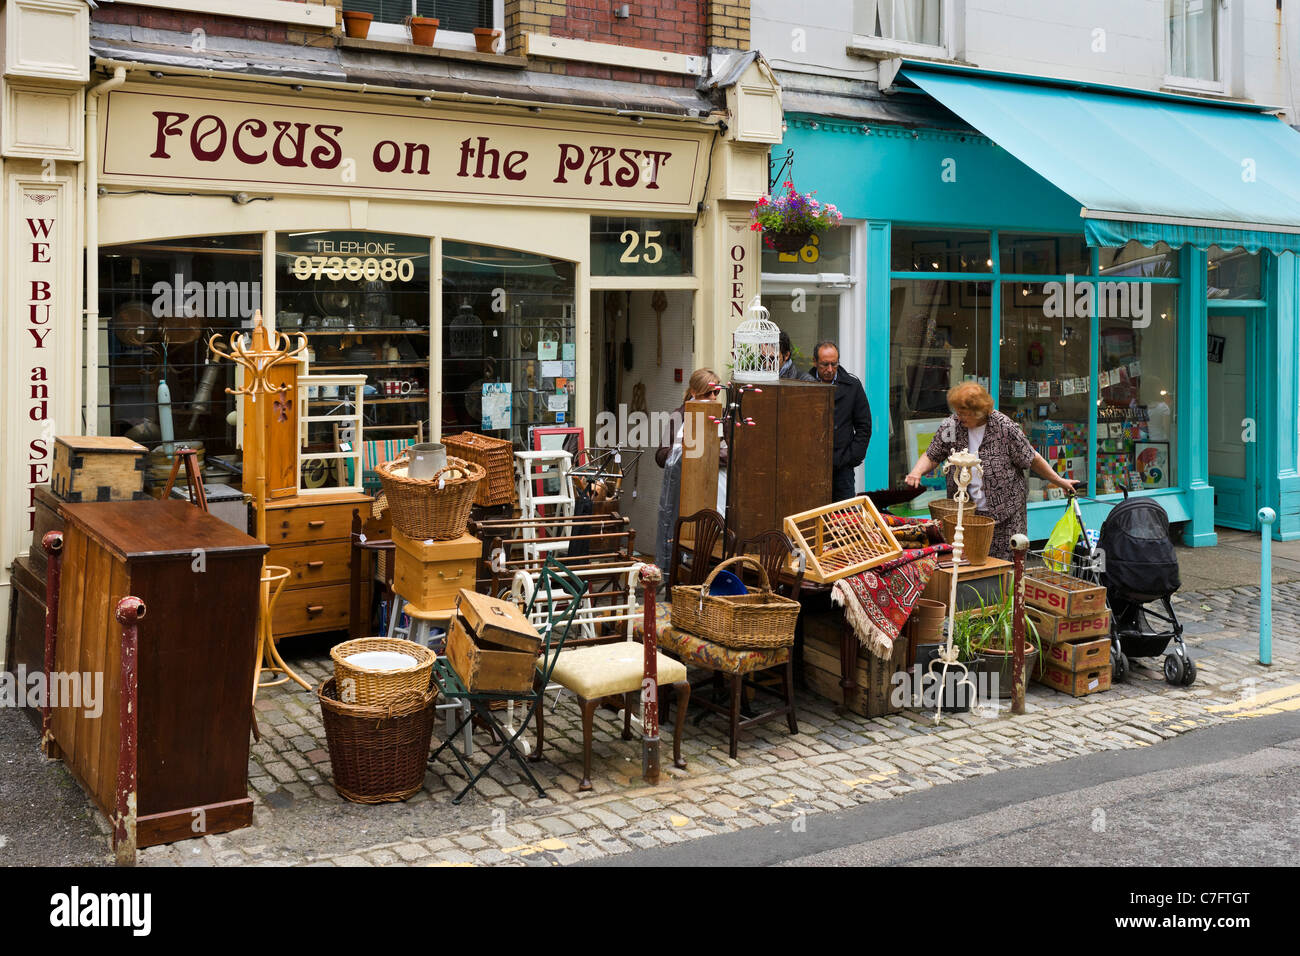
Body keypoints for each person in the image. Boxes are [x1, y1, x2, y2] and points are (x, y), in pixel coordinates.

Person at [904, 381, 1079, 560]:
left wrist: (1059, 481)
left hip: (1005, 517)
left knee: (1006, 569)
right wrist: (916, 472)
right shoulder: (952, 425)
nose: (959, 416)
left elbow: (1032, 458)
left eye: (964, 413)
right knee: (968, 565)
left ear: (980, 411)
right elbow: (932, 454)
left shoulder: (1004, 427)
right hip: (967, 516)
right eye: (958, 411)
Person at [653, 368, 728, 572]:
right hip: (686, 494)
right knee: (686, 547)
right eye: (707, 393)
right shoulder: (679, 417)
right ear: (694, 392)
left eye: (716, 393)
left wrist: (705, 453)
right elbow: (661, 455)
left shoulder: (723, 417)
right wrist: (684, 453)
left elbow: (734, 453)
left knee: (715, 548)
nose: (712, 398)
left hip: (719, 493)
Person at [809, 341, 870, 502]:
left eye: (834, 364)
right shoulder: (804, 384)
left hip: (842, 469)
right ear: (815, 362)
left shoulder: (852, 385)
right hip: (811, 466)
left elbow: (864, 426)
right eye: (824, 364)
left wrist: (851, 458)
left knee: (843, 519)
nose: (830, 369)